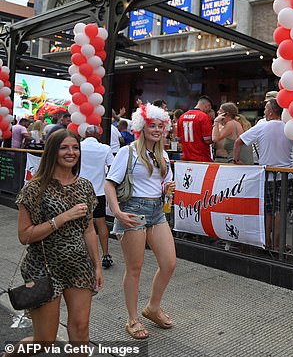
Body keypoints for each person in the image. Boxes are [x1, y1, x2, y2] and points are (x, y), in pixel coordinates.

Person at [12, 129, 102, 350]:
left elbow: (89, 230)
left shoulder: (85, 186)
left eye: (75, 148)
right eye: (64, 148)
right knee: (44, 341)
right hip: (43, 268)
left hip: (78, 266)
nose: (71, 152)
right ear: (52, 151)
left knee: (81, 330)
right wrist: (62, 218)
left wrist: (97, 265)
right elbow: (24, 236)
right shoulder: (35, 188)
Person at [104, 103, 176, 340]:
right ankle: (132, 319)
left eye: (159, 126)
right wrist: (116, 212)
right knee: (134, 269)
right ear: (142, 127)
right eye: (151, 125)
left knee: (169, 263)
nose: (156, 129)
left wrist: (167, 187)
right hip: (133, 210)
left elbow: (162, 185)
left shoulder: (162, 154)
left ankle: (153, 307)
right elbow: (109, 184)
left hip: (156, 211)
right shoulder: (128, 152)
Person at [234, 99, 293, 248]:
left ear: (270, 112)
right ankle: (277, 244)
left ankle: (266, 241)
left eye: (265, 110)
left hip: (267, 174)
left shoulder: (262, 126)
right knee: (280, 211)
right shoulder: (291, 127)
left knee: (268, 210)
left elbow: (238, 142)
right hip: (287, 174)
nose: (263, 113)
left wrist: (236, 160)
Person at [80, 125, 115, 269]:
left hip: (80, 190)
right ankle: (105, 255)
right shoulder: (105, 149)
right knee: (101, 222)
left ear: (85, 134)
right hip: (98, 190)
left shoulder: (78, 147)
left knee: (82, 223)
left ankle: (84, 256)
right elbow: (112, 166)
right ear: (99, 136)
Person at [177, 95, 214, 162]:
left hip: (186, 157)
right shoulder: (204, 117)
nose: (208, 111)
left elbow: (179, 140)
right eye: (209, 109)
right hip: (202, 158)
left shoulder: (182, 117)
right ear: (207, 106)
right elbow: (208, 140)